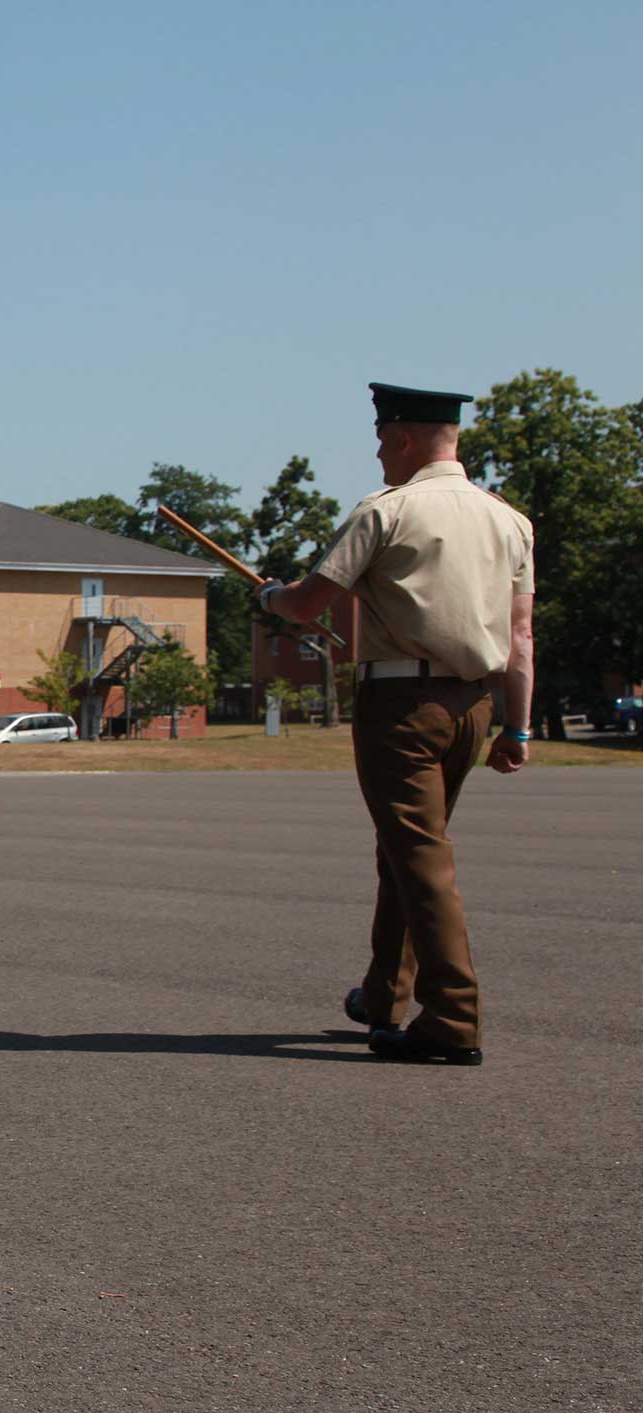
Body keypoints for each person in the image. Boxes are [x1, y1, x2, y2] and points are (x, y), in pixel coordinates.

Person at [260, 382, 535, 1068]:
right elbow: (522, 638)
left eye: (384, 440)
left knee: (420, 856)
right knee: (405, 849)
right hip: (473, 706)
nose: (380, 453)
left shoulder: (386, 511)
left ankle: (452, 1018)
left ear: (406, 437)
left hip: (401, 707)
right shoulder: (510, 521)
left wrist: (270, 595)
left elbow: (309, 602)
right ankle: (385, 996)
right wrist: (518, 728)